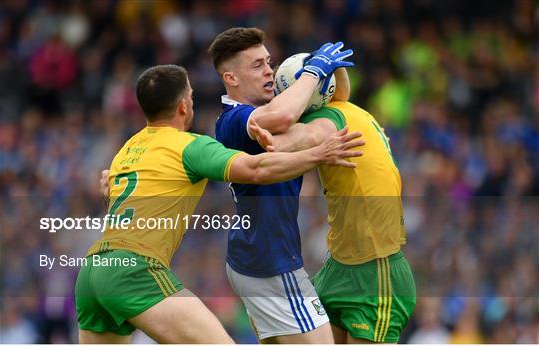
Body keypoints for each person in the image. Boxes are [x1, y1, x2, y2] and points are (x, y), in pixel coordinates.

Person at [77, 64, 363, 344]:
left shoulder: (127, 149)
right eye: (190, 95)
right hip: (133, 270)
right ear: (183, 105)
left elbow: (117, 193)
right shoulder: (190, 146)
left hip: (93, 271)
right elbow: (256, 170)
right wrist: (317, 154)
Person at [207, 27, 354, 343]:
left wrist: (333, 74)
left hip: (253, 258)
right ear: (231, 79)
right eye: (256, 65)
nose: (269, 70)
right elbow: (284, 116)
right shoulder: (233, 120)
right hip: (271, 264)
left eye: (269, 62)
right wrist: (314, 71)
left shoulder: (262, 111)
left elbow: (330, 104)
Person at [249, 69, 417, 344]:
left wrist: (276, 142)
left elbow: (305, 136)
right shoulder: (346, 109)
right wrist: (332, 68)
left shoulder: (326, 122)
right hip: (338, 269)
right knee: (279, 326)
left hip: (376, 276)